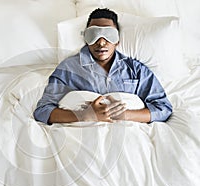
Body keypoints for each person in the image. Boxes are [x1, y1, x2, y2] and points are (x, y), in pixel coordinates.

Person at [34, 8, 172, 125]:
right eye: (93, 35)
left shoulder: (136, 69)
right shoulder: (68, 69)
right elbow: (42, 111)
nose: (101, 43)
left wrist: (125, 115)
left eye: (108, 35)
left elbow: (163, 108)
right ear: (85, 38)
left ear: (117, 40)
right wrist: (84, 115)